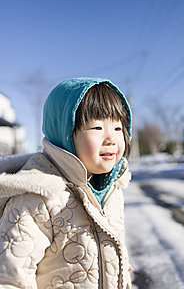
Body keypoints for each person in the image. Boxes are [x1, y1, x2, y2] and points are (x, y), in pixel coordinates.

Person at [0, 77, 132, 289]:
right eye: (97, 128)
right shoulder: (37, 195)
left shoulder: (112, 190)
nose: (111, 139)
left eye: (118, 128)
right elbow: (11, 276)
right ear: (65, 134)